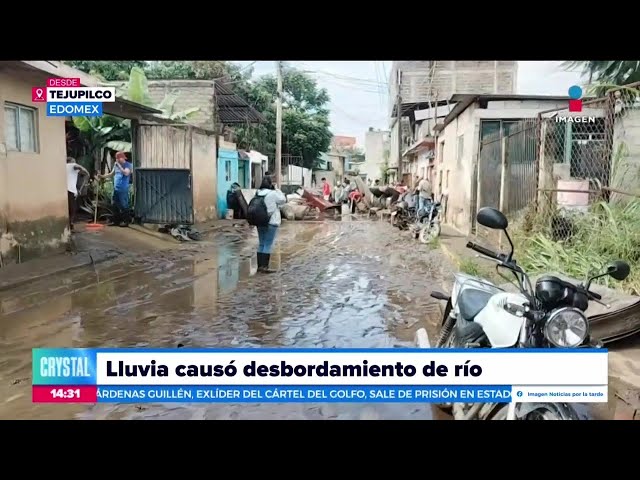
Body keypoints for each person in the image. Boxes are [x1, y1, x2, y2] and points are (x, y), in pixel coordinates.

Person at [255, 175, 286, 273]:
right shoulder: (273, 193)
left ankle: (259, 266)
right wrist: (277, 189)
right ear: (270, 184)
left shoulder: (258, 192)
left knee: (261, 243)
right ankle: (265, 267)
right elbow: (283, 200)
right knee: (267, 244)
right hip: (271, 222)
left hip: (260, 221)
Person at [98, 151, 133, 227]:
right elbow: (111, 174)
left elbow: (126, 173)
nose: (116, 160)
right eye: (116, 158)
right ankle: (115, 221)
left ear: (122, 158)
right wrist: (102, 176)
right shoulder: (116, 165)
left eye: (118, 158)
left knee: (124, 205)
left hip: (123, 188)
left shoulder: (128, 165)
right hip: (116, 188)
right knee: (114, 204)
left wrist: (119, 166)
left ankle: (125, 221)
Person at [66, 157, 89, 231]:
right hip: (70, 190)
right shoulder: (72, 165)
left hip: (67, 189)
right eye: (74, 161)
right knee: (73, 209)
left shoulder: (64, 166)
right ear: (71, 161)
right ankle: (70, 224)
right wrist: (85, 170)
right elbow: (78, 167)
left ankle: (70, 224)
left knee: (70, 208)